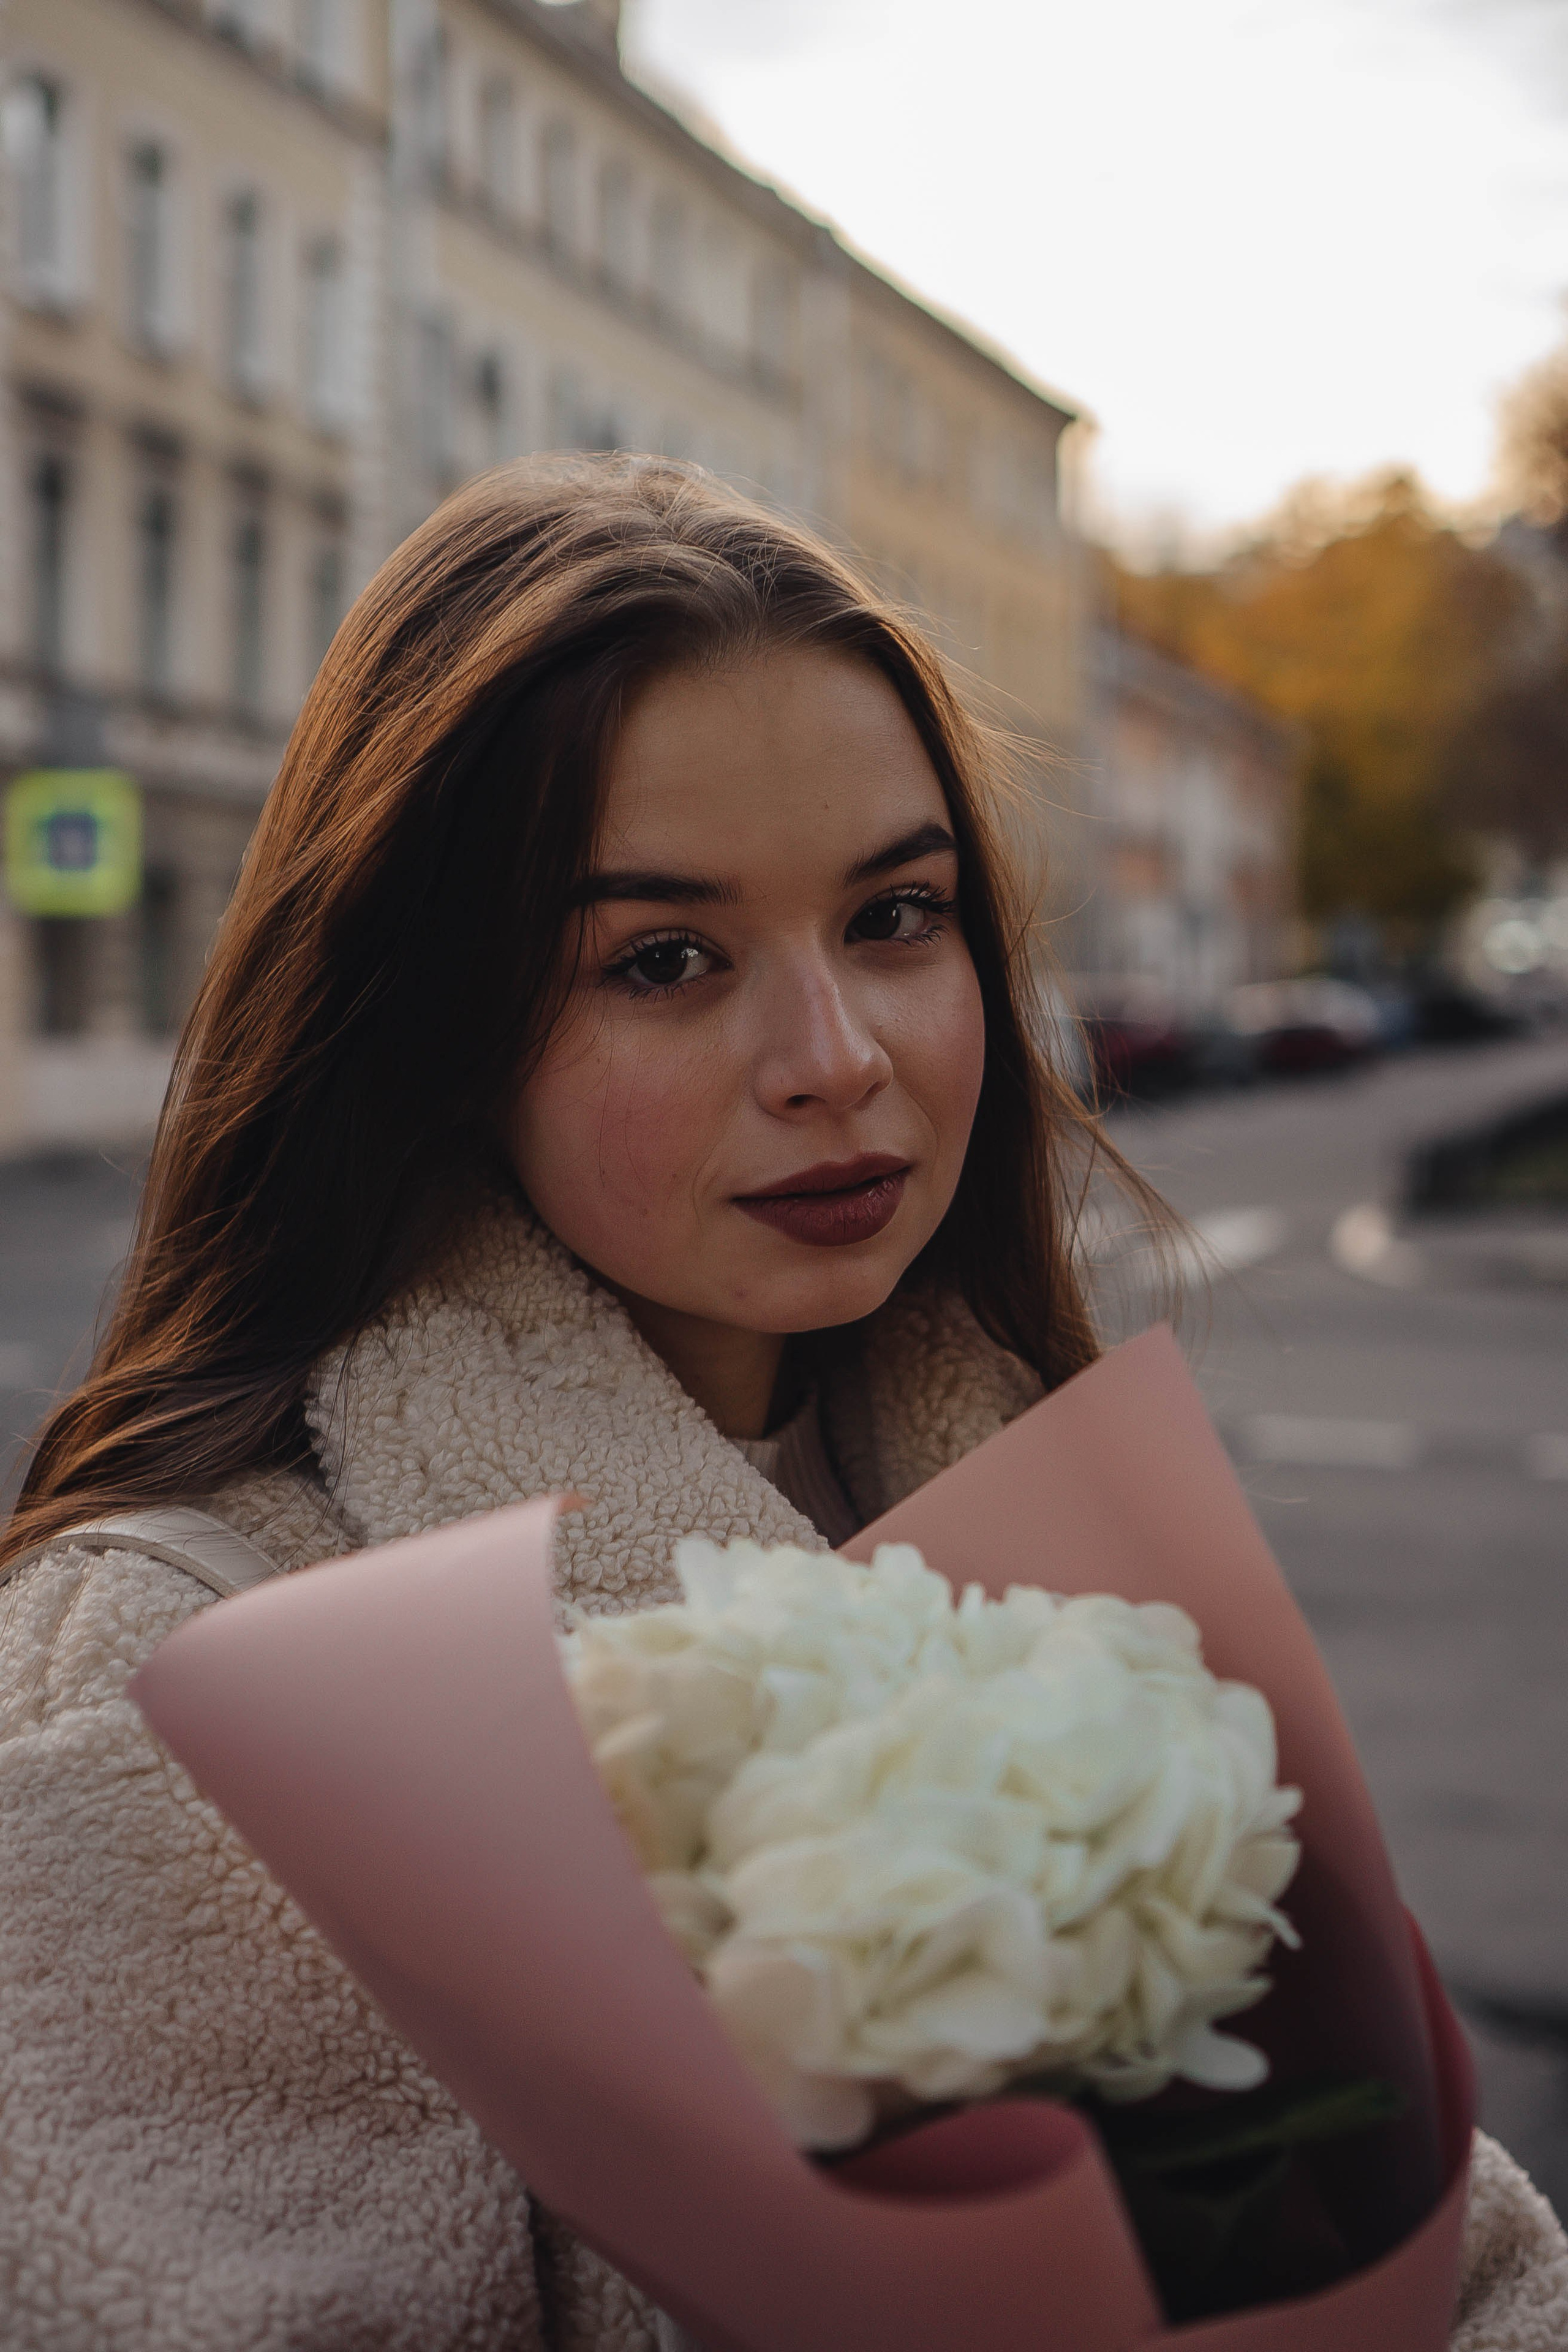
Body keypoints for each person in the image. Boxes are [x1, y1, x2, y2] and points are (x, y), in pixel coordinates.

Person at [0, 459, 1561, 2351]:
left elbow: (1442, 2252)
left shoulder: (1030, 1511)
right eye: (665, 959)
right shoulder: (184, 1676)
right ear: (427, 1025)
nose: (837, 1059)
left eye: (899, 917)